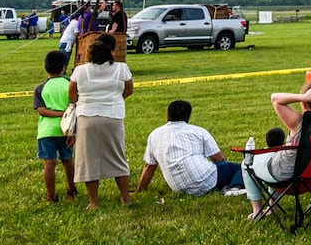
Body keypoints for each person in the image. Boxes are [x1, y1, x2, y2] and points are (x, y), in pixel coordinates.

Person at [241, 81, 311, 221]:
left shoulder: (299, 122)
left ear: (304, 103)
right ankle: (272, 207)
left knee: (247, 162)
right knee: (276, 156)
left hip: (288, 178)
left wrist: (302, 97)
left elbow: (275, 98)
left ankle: (257, 212)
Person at [68, 32, 134, 209]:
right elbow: (129, 90)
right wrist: (115, 99)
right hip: (113, 116)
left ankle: (94, 202)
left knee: (89, 160)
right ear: (111, 52)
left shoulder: (80, 71)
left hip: (87, 118)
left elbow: (72, 94)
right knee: (118, 157)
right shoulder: (122, 68)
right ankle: (125, 198)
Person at [136, 99, 242, 196]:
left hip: (178, 187)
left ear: (167, 114)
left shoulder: (154, 135)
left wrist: (140, 189)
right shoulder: (199, 131)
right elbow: (220, 159)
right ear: (189, 115)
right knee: (240, 168)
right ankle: (234, 188)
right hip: (206, 181)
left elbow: (149, 166)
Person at [32, 49, 76, 203]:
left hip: (46, 131)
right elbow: (75, 105)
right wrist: (64, 116)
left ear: (46, 67)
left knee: (49, 164)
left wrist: (56, 114)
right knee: (68, 161)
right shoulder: (70, 84)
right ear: (63, 67)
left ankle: (51, 196)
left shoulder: (40, 88)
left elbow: (41, 111)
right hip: (67, 130)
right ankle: (71, 191)